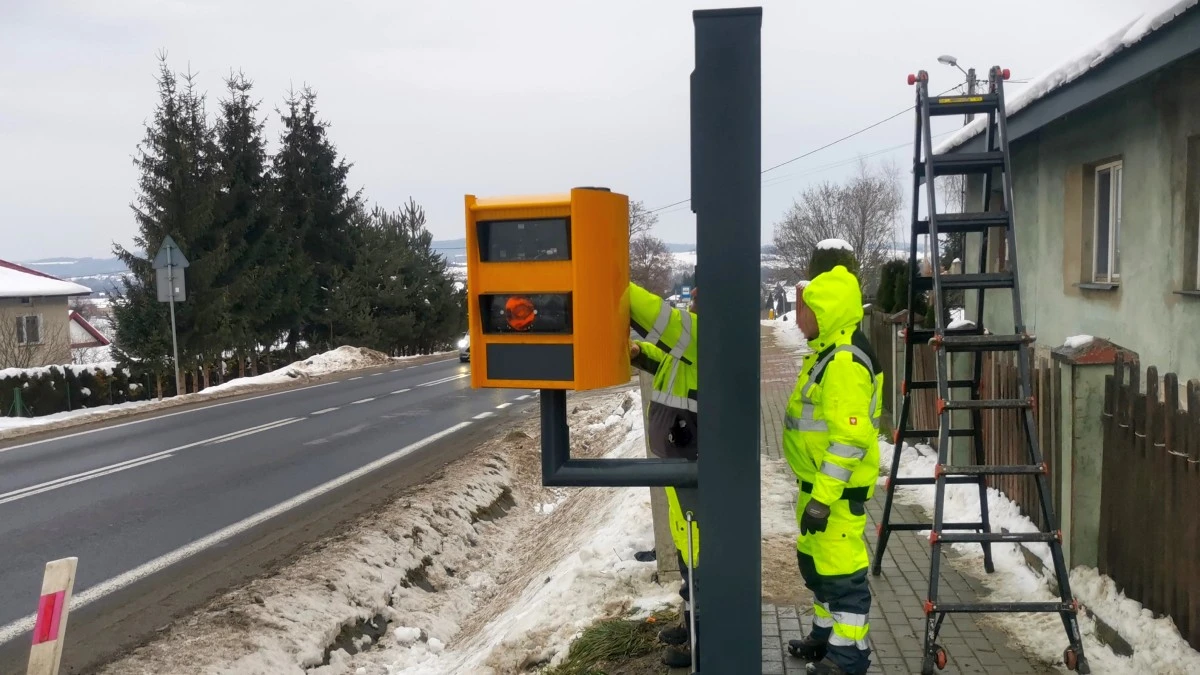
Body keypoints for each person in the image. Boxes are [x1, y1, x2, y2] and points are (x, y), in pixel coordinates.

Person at [781, 265, 883, 675]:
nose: (798, 316)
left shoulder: (842, 363)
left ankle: (849, 656)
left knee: (843, 578)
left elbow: (849, 441)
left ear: (826, 311)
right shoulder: (827, 354)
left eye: (804, 308)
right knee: (817, 569)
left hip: (834, 496)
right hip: (817, 488)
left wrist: (822, 499)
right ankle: (824, 637)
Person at [629, 283, 699, 669]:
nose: (696, 295)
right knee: (687, 546)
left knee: (700, 551)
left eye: (703, 292)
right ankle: (691, 624)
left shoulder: (704, 333)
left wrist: (613, 284)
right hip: (679, 461)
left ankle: (703, 641)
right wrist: (640, 354)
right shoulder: (690, 345)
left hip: (692, 462)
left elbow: (659, 318)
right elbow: (668, 359)